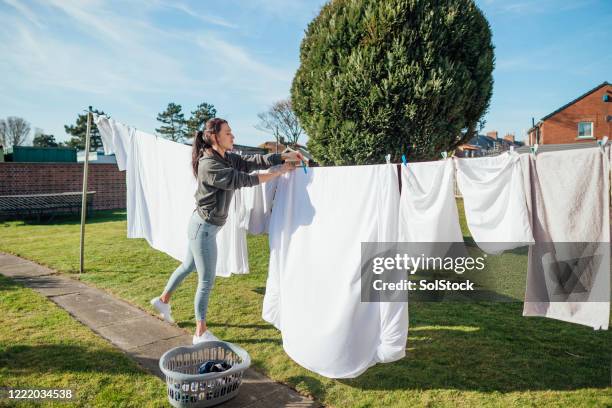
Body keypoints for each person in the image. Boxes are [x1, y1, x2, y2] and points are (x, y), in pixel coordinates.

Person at [150, 117, 304, 344]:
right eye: (228, 133)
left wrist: (282, 156)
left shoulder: (225, 157)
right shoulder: (209, 165)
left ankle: (162, 301)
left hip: (202, 226)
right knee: (206, 280)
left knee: (188, 266)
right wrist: (279, 171)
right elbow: (241, 179)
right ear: (214, 136)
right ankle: (200, 333)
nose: (233, 137)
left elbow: (251, 161)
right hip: (203, 229)